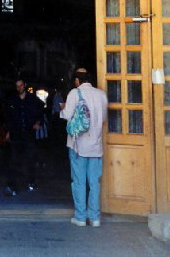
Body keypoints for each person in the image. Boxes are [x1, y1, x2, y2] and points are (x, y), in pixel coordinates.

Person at [60, 68, 108, 227]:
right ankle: (95, 218)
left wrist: (62, 109)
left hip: (78, 145)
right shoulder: (101, 95)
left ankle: (80, 217)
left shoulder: (75, 93)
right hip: (96, 146)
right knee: (94, 183)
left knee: (79, 182)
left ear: (77, 81)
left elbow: (67, 115)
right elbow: (104, 118)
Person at [4, 77, 44, 196]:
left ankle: (31, 182)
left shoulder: (32, 99)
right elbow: (8, 116)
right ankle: (12, 186)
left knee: (30, 158)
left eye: (21, 85)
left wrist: (38, 122)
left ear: (25, 85)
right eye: (17, 86)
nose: (19, 88)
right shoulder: (12, 100)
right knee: (14, 160)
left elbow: (41, 111)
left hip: (28, 133)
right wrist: (8, 131)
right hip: (16, 133)